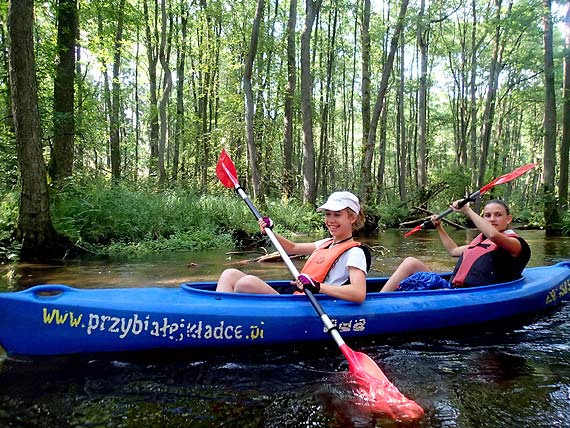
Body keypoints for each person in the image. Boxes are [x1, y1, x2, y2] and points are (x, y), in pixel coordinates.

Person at [215, 191, 369, 303]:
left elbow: (358, 293)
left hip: (316, 304)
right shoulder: (325, 243)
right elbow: (292, 248)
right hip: (300, 298)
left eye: (337, 215)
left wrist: (318, 286)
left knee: (246, 283)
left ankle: (224, 319)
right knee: (229, 274)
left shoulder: (355, 253)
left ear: (352, 217)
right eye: (328, 214)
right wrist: (270, 231)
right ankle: (217, 314)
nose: (330, 220)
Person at [380, 199, 531, 292]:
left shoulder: (515, 244)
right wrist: (439, 227)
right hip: (452, 289)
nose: (492, 219)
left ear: (509, 219)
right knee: (410, 262)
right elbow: (453, 250)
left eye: (498, 215)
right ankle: (381, 299)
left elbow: (493, 235)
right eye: (487, 215)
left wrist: (467, 210)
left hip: (476, 295)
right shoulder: (482, 241)